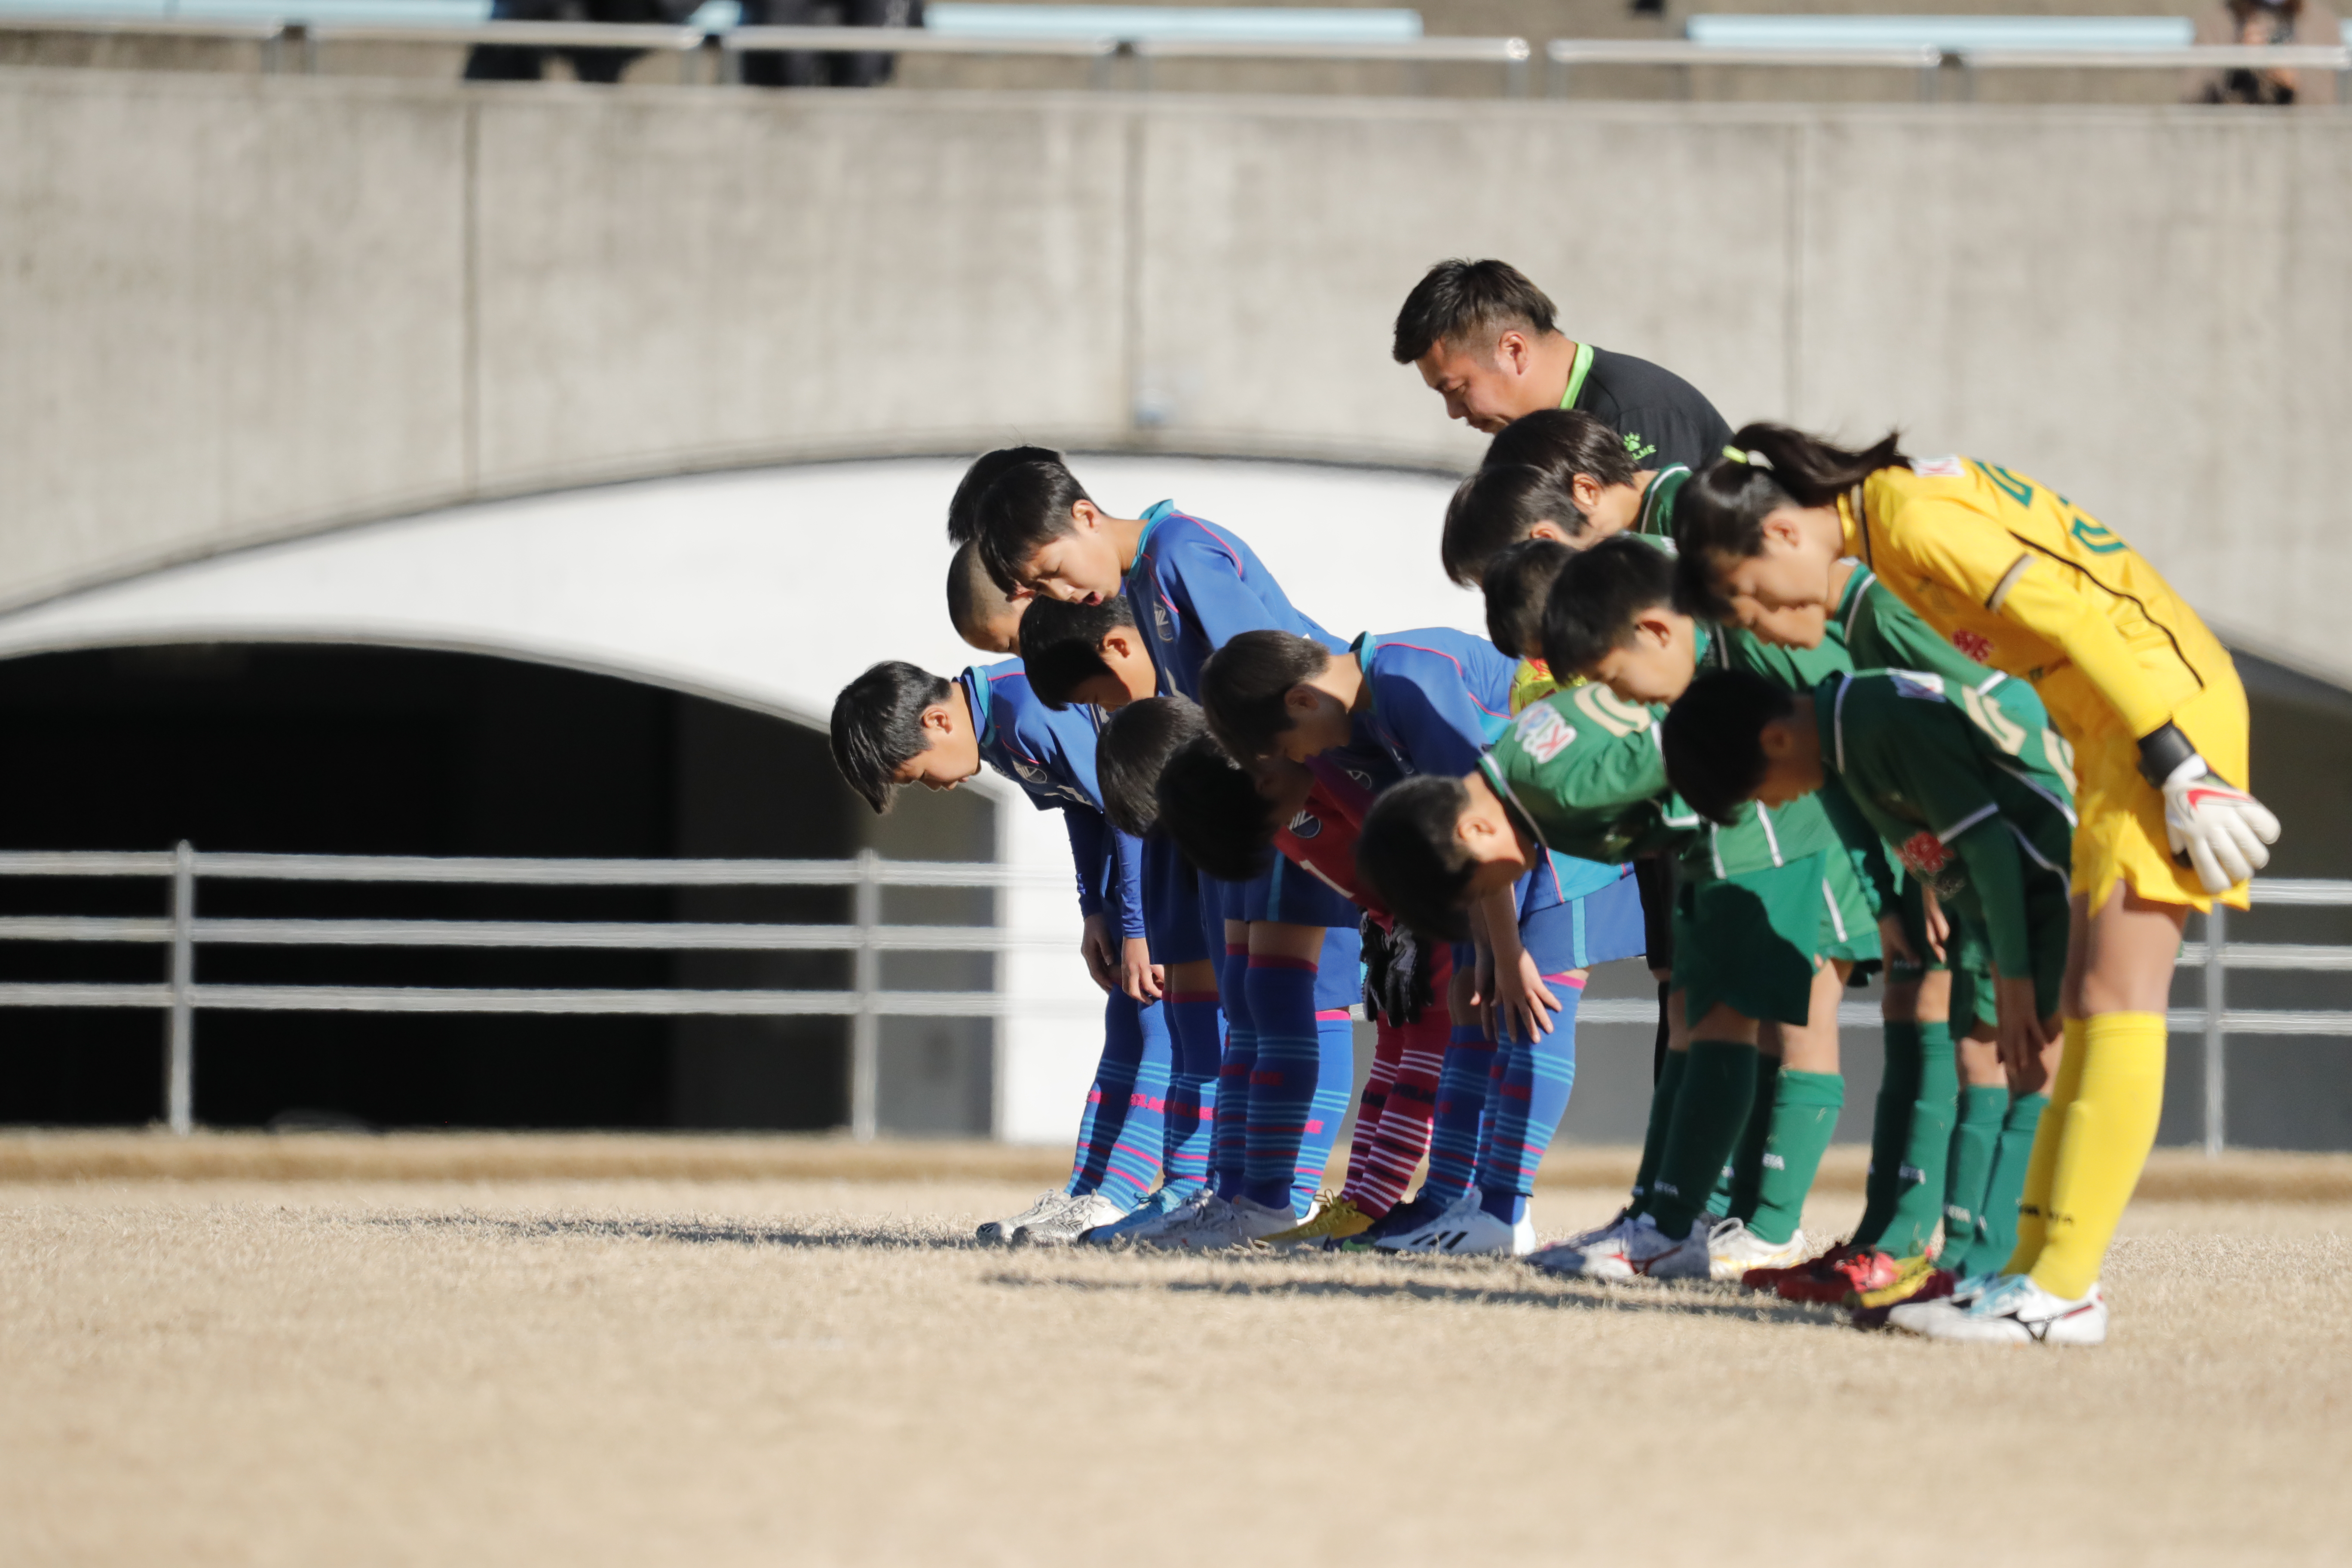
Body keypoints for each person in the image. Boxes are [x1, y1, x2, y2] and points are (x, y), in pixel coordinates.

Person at [1675, 426, 2280, 1344]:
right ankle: (2025, 1277)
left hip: (2156, 714)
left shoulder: (1907, 520)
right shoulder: (1887, 523)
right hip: (2119, 724)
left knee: (2118, 996)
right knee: (2089, 997)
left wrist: (2175, 760)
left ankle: (2063, 1290)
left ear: (1784, 538)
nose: (1763, 625)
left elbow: (2074, 614)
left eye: (1752, 601)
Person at [1356, 536, 1877, 1279]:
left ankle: (1761, 1226)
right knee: (1705, 1017)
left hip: (1780, 826)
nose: (1490, 901)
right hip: (1730, 840)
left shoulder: (1554, 783)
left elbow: (1688, 756)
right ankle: (1662, 1216)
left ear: (1471, 831)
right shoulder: (1517, 761)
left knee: (1783, 1022)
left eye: (1476, 889)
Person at [971, 450, 1361, 1250]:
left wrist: (1289, 804)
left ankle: (1278, 1195)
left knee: (1295, 1000)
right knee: (1246, 1005)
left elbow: (1269, 684)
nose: (1060, 596)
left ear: (1084, 516)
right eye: (1040, 590)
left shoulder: (1179, 550)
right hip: (1244, 807)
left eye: (1052, 570)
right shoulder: (1140, 578)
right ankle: (1224, 1191)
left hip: (1299, 795)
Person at [1682, 538, 2068, 1306]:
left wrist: (2015, 975)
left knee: (2007, 1059)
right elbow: (1856, 814)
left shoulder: (1871, 711)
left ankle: (1983, 1266)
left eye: (1762, 794)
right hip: (1979, 889)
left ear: (1771, 740)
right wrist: (1893, 904)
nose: (1775, 809)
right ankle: (1935, 1256)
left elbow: (1990, 844)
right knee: (1973, 1047)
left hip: (2037, 881)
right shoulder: (1828, 734)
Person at [1202, 627, 1647, 1256]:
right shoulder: (1374, 703)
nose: (1303, 760)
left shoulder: (1409, 676)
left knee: (1534, 1009)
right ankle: (1457, 1203)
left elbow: (1481, 821)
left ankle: (1503, 1212)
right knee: (1473, 1003)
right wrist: (1487, 949)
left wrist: (1504, 951)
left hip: (1561, 848)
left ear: (1302, 700)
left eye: (1285, 748)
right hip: (1514, 860)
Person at [826, 657, 1164, 1245]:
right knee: (1128, 1027)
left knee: (1164, 1025)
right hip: (1138, 878)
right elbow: (1082, 804)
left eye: (917, 773)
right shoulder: (998, 727)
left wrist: (1138, 929)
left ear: (938, 720)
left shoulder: (1027, 711)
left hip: (1177, 860)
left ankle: (1121, 1197)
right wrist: (1096, 911)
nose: (935, 785)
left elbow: (1129, 807)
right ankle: (1087, 1192)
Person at [1108, 704, 1455, 1248]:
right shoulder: (1296, 807)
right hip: (1411, 894)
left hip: (1472, 890)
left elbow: (1450, 826)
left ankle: (1457, 1201)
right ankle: (1344, 1203)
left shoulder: (1342, 763)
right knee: (1387, 1024)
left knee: (1433, 1028)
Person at [1392, 259, 1731, 471]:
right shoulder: (1531, 439)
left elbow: (1656, 573)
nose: (1453, 412)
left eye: (1456, 389)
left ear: (1514, 350)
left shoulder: (1635, 413)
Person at [2188, 0, 2340, 104]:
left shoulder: (2321, 22)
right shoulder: (2217, 20)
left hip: (2299, 143)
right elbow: (2191, 102)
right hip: (2234, 142)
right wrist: (2236, 65)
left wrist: (2294, 83)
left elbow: (2329, 109)